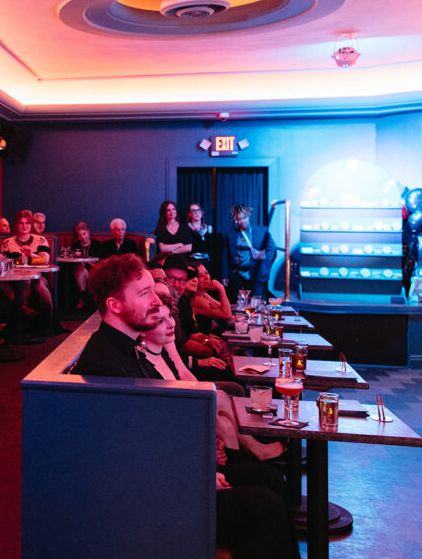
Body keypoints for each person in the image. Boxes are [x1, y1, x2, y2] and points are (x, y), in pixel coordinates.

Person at [72, 254, 294, 559]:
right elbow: (127, 458)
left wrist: (199, 465)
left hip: (163, 479)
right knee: (263, 506)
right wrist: (195, 474)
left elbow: (152, 433)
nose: (157, 301)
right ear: (114, 305)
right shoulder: (105, 363)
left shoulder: (127, 346)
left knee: (269, 480)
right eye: (144, 293)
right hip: (147, 503)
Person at [162, 254, 236, 383]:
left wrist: (209, 341)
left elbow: (193, 332)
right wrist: (201, 360)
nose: (177, 285)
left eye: (182, 280)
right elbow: (179, 347)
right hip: (175, 371)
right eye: (171, 278)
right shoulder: (160, 309)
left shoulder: (182, 302)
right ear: (162, 278)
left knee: (232, 367)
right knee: (231, 375)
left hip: (185, 364)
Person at [224, 204, 277, 299]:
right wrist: (224, 275)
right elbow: (225, 256)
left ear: (248, 216)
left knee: (257, 303)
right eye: (239, 219)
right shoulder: (231, 234)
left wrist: (265, 268)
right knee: (238, 303)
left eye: (244, 218)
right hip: (237, 275)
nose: (242, 221)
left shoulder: (262, 231)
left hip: (256, 275)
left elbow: (272, 250)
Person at [70, 221, 102, 310]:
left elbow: (101, 260)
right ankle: (83, 297)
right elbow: (72, 260)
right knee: (80, 270)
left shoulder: (97, 244)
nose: (82, 237)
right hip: (80, 270)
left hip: (94, 270)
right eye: (80, 235)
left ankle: (82, 298)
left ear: (88, 233)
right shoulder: (75, 246)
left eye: (84, 234)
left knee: (84, 270)